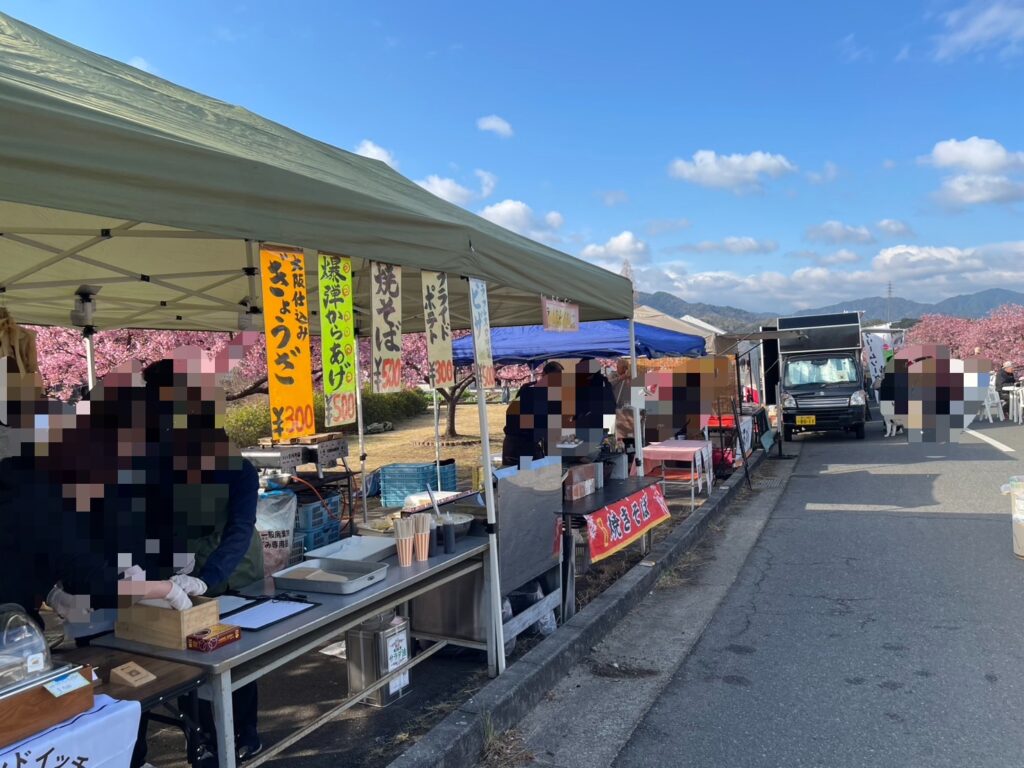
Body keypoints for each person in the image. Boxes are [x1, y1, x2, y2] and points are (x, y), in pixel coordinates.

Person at [140, 358, 265, 764]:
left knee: (236, 655)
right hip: (181, 576)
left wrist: (208, 577)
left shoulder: (233, 466)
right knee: (193, 658)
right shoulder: (160, 453)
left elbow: (239, 528)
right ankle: (206, 739)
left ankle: (244, 732)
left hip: (234, 572)